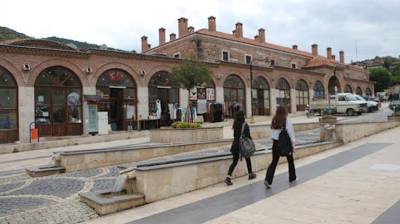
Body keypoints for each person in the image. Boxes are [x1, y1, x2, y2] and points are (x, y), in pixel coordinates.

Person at [264, 106, 296, 189]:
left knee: (274, 162)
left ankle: (268, 179)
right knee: (290, 160)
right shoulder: (287, 120)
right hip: (285, 144)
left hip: (275, 144)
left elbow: (272, 133)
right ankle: (292, 178)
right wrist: (293, 145)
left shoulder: (274, 120)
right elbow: (290, 133)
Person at [225, 111, 256, 186]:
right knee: (248, 158)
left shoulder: (235, 124)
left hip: (235, 145)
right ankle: (250, 174)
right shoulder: (245, 124)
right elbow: (248, 135)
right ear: (243, 116)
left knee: (234, 162)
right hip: (242, 145)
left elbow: (235, 135)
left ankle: (228, 178)